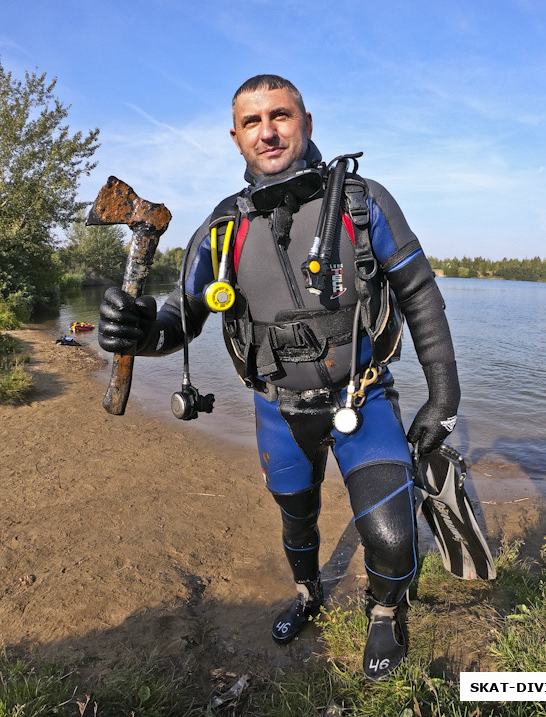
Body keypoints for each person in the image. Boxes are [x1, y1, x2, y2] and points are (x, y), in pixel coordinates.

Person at [98, 74, 460, 681]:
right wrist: (138, 331)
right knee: (298, 520)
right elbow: (181, 320)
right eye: (251, 122)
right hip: (278, 410)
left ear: (307, 122)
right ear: (235, 138)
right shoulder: (220, 229)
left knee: (394, 539)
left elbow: (420, 293)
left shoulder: (363, 201)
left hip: (362, 400)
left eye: (281, 116)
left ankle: (385, 610)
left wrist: (444, 395)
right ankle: (309, 595)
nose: (267, 131)